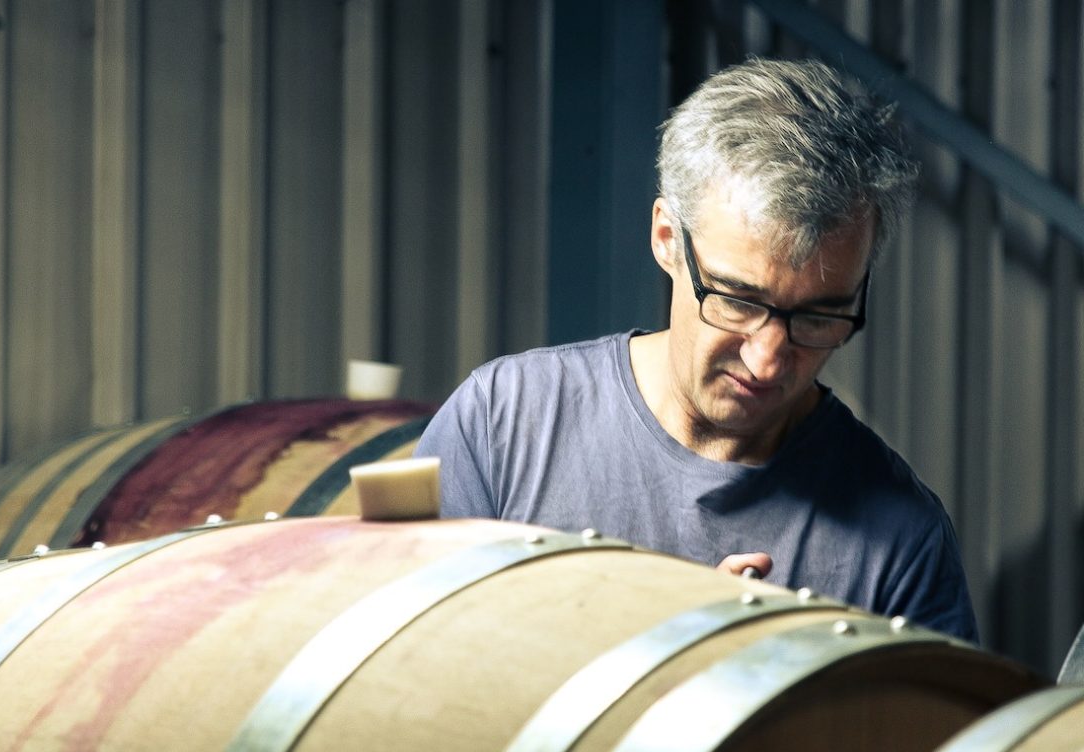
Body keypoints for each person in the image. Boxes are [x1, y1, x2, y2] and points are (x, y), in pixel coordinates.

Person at [414, 56, 978, 641]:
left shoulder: (904, 539)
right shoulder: (502, 426)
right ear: (667, 240)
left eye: (819, 315)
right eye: (738, 299)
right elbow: (394, 681)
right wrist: (661, 652)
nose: (767, 361)